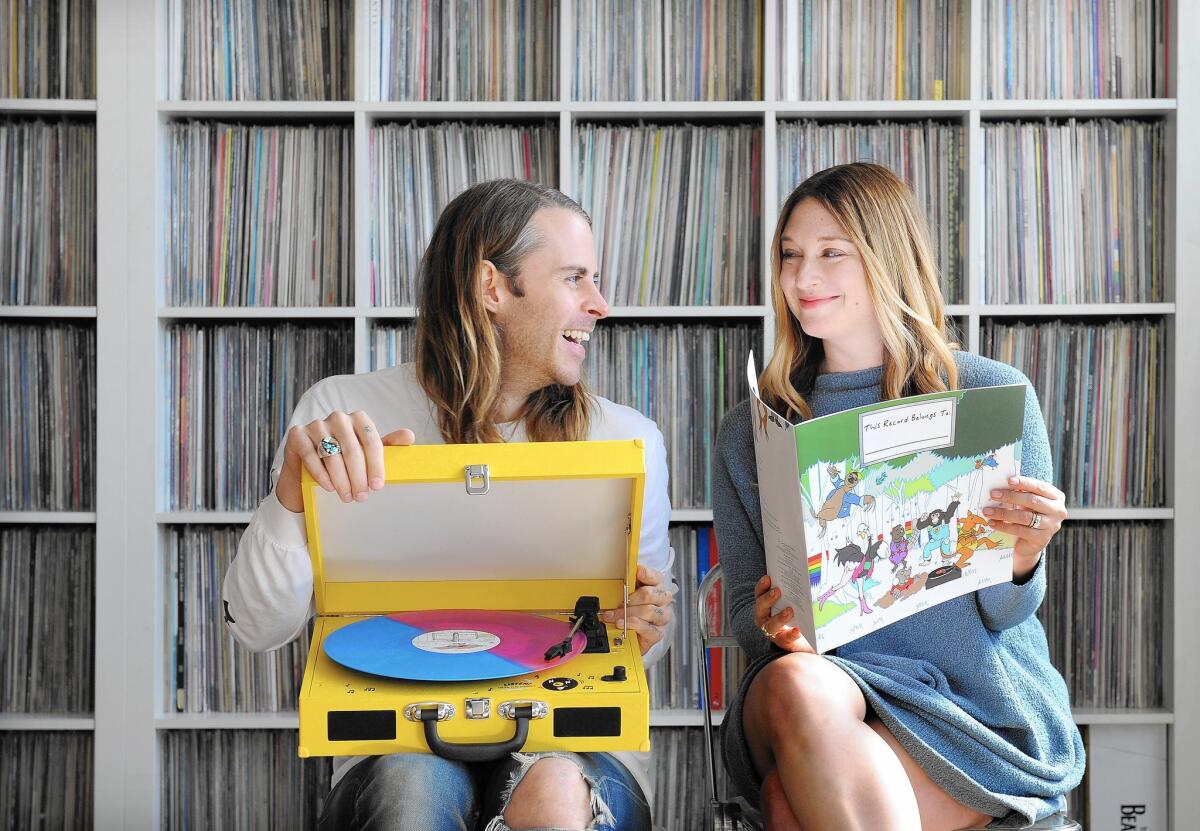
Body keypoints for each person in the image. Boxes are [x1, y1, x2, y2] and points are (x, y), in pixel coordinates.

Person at [222, 179, 676, 831]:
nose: (599, 304)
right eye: (575, 278)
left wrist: (643, 621)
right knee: (410, 796)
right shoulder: (340, 412)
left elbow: (638, 649)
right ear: (493, 287)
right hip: (394, 741)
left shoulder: (628, 438)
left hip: (572, 738)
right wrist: (293, 493)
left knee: (556, 793)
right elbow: (256, 626)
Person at [713, 163, 1085, 830]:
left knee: (785, 805)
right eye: (791, 256)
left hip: (966, 706)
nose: (803, 279)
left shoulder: (987, 393)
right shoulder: (750, 430)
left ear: (887, 258)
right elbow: (745, 612)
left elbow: (1005, 614)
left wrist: (1023, 557)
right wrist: (774, 621)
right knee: (794, 681)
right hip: (819, 692)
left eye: (832, 254)